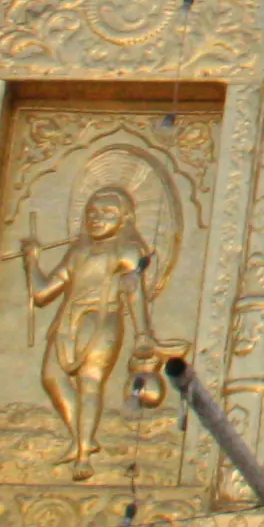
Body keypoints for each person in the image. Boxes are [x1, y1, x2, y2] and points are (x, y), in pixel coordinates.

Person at [23, 180, 169, 472]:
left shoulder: (126, 250)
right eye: (92, 212)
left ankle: (83, 458)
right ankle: (83, 440)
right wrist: (31, 262)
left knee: (90, 382)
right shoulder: (78, 251)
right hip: (67, 321)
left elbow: (133, 290)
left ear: (124, 218)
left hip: (101, 318)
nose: (97, 218)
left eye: (107, 213)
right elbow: (42, 293)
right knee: (52, 377)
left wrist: (142, 333)